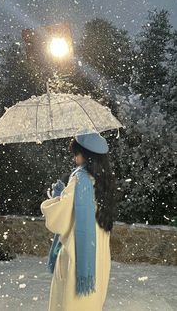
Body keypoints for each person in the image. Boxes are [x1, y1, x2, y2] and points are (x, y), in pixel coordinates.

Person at [40, 130, 116, 311]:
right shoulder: (104, 180)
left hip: (78, 252)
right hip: (98, 254)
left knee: (70, 303)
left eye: (76, 154)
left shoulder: (80, 179)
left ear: (86, 155)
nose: (75, 159)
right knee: (90, 304)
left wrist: (54, 198)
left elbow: (59, 219)